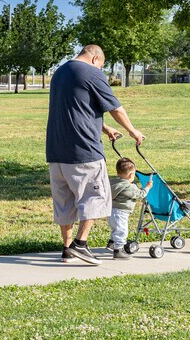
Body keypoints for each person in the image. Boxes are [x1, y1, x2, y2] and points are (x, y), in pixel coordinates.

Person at [46, 44, 145, 266]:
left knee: (65, 203)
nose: (100, 70)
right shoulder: (92, 73)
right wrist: (132, 130)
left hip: (56, 150)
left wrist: (104, 128)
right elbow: (116, 108)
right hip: (84, 151)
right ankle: (81, 244)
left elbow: (76, 110)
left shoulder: (60, 72)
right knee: (94, 197)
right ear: (95, 59)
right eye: (101, 66)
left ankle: (67, 249)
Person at [106, 157, 153, 260]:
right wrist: (148, 187)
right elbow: (141, 194)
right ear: (131, 175)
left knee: (115, 229)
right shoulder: (128, 187)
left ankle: (112, 243)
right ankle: (118, 251)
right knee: (122, 231)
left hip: (110, 211)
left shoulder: (113, 183)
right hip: (121, 212)